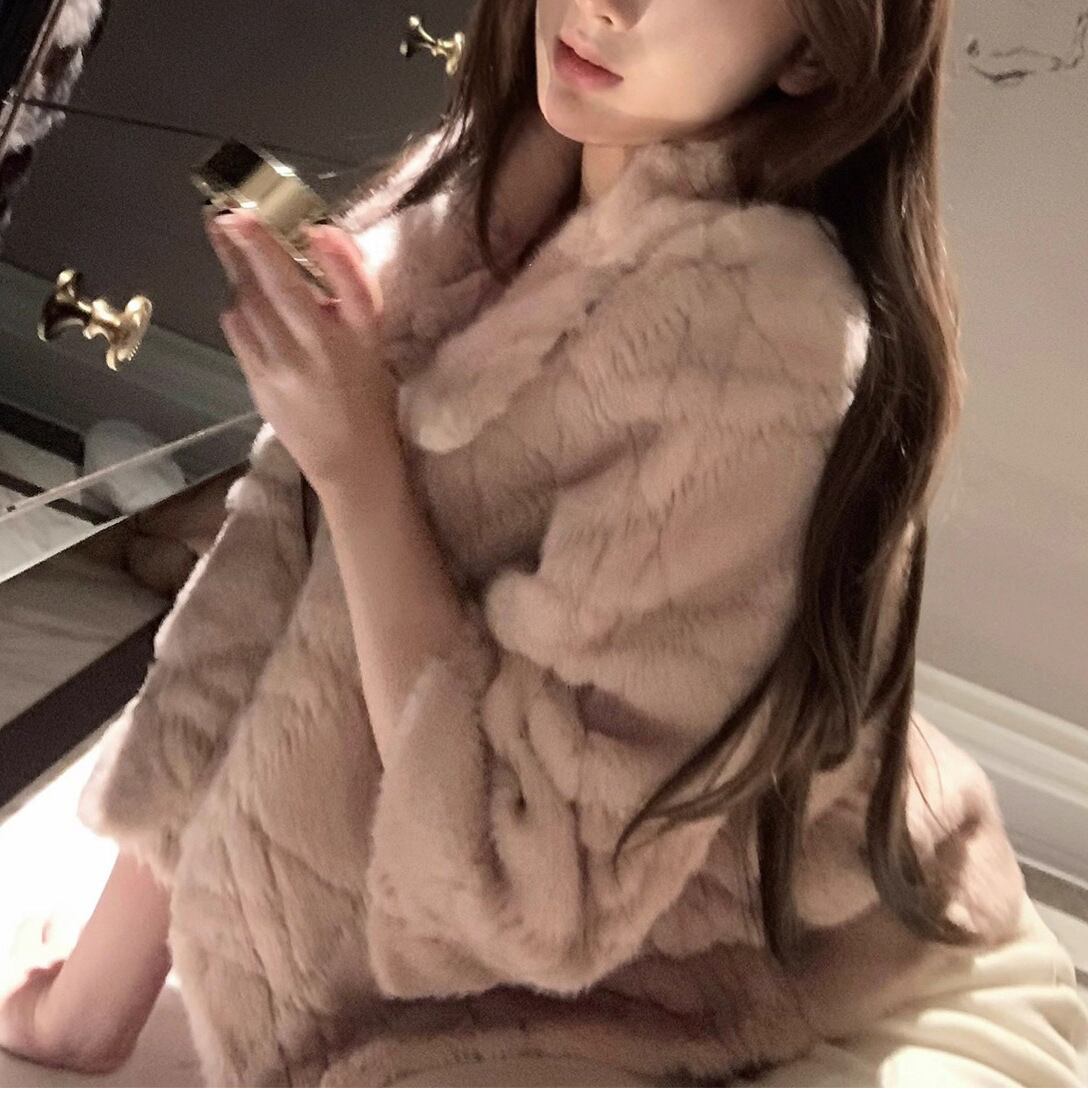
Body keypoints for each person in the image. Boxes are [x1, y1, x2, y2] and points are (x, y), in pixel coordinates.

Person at [1, 0, 1085, 1087]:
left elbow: (531, 887)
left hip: (748, 953)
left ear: (808, 51)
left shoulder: (759, 346)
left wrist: (361, 468)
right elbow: (269, 593)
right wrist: (91, 1002)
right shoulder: (491, 193)